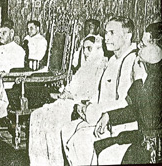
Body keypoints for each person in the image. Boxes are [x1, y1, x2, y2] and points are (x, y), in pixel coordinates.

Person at [65, 16, 147, 165]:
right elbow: (101, 92)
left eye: (111, 33)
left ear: (127, 36)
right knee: (67, 130)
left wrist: (90, 110)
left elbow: (124, 103)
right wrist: (87, 105)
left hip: (121, 123)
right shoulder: (112, 59)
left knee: (80, 140)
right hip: (101, 116)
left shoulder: (132, 61)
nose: (106, 38)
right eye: (105, 33)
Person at [29, 34, 107, 166]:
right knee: (36, 115)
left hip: (78, 106)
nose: (86, 52)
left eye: (89, 48)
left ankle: (55, 162)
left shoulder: (101, 68)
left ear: (97, 49)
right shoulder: (84, 68)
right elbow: (72, 87)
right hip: (66, 102)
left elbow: (93, 96)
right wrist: (65, 93)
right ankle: (40, 162)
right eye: (84, 49)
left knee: (52, 122)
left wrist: (71, 96)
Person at [94, 22, 162, 164]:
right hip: (146, 138)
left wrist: (137, 81)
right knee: (100, 147)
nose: (138, 47)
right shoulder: (153, 70)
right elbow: (137, 109)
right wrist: (109, 116)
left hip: (155, 146)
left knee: (107, 155)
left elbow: (149, 121)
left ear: (159, 49)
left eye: (143, 44)